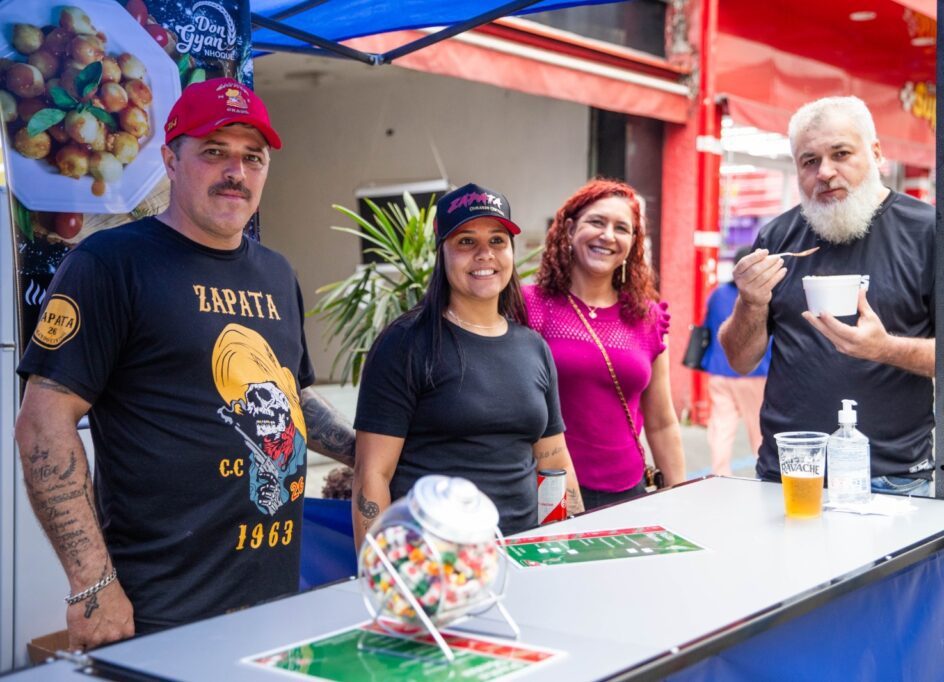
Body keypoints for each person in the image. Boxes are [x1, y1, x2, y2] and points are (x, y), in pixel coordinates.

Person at [14, 79, 356, 649]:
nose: (236, 172)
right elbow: (42, 423)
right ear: (171, 161)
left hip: (273, 596)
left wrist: (365, 451)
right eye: (214, 151)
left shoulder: (276, 273)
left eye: (253, 157)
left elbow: (289, 393)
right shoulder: (111, 263)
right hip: (161, 608)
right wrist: (92, 585)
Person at [719, 96, 944, 495]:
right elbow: (740, 360)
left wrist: (886, 349)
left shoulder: (932, 232)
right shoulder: (776, 238)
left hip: (894, 478)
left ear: (876, 153)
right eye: (809, 161)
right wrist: (750, 302)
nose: (825, 172)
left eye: (841, 154)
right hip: (790, 472)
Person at [352, 183, 584, 548]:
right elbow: (372, 476)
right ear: (441, 253)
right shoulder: (404, 344)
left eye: (497, 240)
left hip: (524, 554)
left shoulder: (533, 347)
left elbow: (555, 463)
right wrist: (383, 571)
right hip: (435, 561)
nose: (484, 254)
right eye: (466, 241)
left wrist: (566, 547)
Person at [525, 179, 685, 510]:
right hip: (548, 488)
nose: (608, 235)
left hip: (630, 492)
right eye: (597, 222)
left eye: (621, 228)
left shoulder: (648, 317)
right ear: (570, 229)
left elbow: (661, 421)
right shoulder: (530, 306)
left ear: (633, 242)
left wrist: (680, 497)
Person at [701, 245, 771, 476]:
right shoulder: (763, 297)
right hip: (755, 371)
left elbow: (708, 326)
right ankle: (763, 474)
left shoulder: (717, 294)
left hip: (719, 371)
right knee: (758, 428)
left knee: (721, 426)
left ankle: (720, 473)